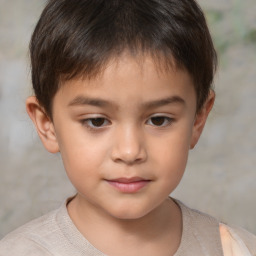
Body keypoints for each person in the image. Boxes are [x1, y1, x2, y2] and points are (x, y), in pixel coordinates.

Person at [0, 0, 255, 255]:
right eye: (97, 121)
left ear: (198, 119)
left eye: (158, 120)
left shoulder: (236, 249)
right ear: (48, 126)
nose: (130, 151)